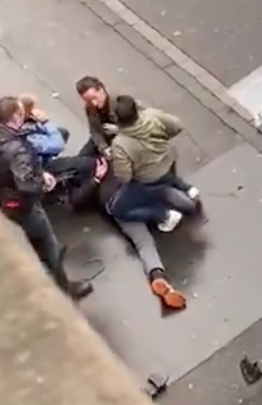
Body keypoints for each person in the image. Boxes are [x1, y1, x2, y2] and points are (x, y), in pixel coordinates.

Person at [0, 96, 93, 301]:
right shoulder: (17, 151)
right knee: (45, 239)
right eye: (21, 113)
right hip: (22, 203)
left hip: (3, 195)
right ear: (15, 116)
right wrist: (44, 182)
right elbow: (26, 182)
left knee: (36, 236)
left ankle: (49, 258)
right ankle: (64, 285)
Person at [70, 155, 186, 310]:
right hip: (131, 195)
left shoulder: (94, 169)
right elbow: (78, 200)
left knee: (144, 242)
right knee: (170, 199)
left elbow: (78, 201)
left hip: (124, 202)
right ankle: (181, 201)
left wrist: (97, 179)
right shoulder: (105, 162)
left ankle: (157, 274)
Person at [110, 94, 200, 233]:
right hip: (168, 162)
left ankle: (165, 215)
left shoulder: (120, 144)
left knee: (118, 210)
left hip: (149, 180)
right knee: (165, 174)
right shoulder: (152, 116)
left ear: (117, 119)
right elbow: (177, 125)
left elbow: (124, 177)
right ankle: (187, 189)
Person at [19, 94, 95, 184]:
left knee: (62, 132)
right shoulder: (30, 138)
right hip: (40, 166)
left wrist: (39, 123)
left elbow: (39, 129)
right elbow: (58, 145)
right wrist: (45, 121)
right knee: (87, 163)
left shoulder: (26, 124)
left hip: (40, 153)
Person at [75, 75, 124, 157]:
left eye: (95, 98)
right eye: (89, 101)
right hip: (104, 137)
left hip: (124, 138)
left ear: (101, 90)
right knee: (81, 158)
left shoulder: (120, 103)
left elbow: (139, 127)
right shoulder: (90, 108)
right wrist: (103, 147)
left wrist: (118, 130)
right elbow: (95, 131)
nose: (94, 103)